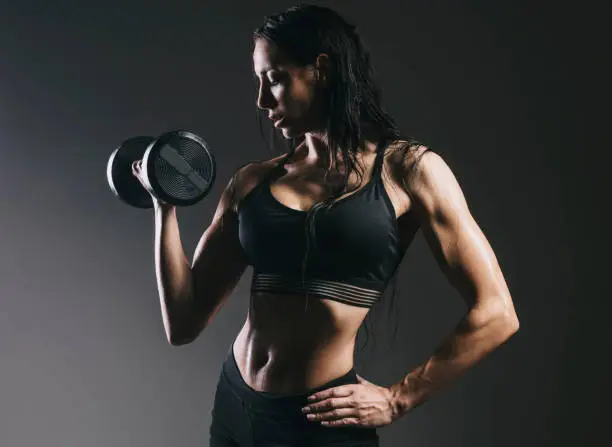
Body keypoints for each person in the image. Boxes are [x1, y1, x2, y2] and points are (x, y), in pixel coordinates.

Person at [132, 4, 519, 446]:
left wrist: (398, 399)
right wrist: (165, 207)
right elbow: (182, 322)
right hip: (236, 408)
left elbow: (496, 313)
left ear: (320, 70)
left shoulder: (409, 170)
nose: (261, 101)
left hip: (321, 425)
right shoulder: (254, 182)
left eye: (274, 79)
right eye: (259, 82)